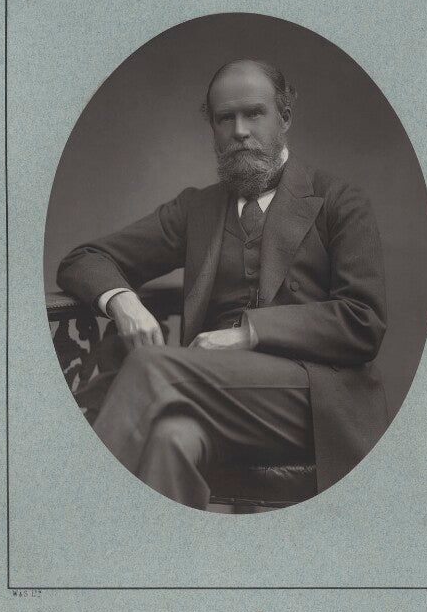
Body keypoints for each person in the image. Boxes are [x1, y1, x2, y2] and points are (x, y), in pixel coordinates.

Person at [57, 59, 389, 510]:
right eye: (224, 118)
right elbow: (85, 259)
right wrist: (123, 301)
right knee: (170, 438)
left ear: (284, 118)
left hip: (313, 401)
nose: (240, 131)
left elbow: (363, 321)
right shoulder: (197, 210)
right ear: (212, 127)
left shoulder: (339, 202)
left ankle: (77, 513)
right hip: (217, 399)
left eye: (254, 114)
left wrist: (248, 334)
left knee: (151, 367)